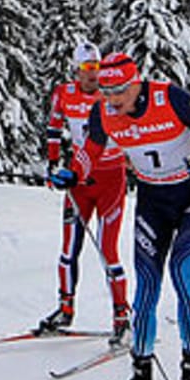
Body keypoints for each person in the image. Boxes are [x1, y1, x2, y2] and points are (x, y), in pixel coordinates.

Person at [60, 51, 190, 380]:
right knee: (147, 286)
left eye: (118, 92)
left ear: (136, 82)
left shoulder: (173, 97)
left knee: (183, 274)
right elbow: (88, 155)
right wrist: (73, 174)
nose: (110, 100)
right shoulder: (104, 113)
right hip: (152, 201)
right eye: (105, 93)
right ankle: (141, 376)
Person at [38, 41, 133, 340]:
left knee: (108, 251)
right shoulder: (64, 93)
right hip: (79, 180)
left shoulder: (111, 95)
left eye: (97, 68)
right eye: (88, 69)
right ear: (77, 70)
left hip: (110, 178)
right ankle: (65, 309)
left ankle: (122, 316)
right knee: (68, 250)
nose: (93, 75)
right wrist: (53, 165)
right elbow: (54, 128)